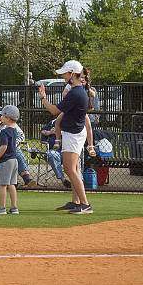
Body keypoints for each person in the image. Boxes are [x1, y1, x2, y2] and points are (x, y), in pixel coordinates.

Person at [38, 59, 93, 214]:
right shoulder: (77, 90)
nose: (63, 76)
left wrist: (43, 98)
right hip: (74, 133)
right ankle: (76, 202)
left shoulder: (75, 92)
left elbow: (54, 111)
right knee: (74, 168)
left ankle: (85, 204)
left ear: (72, 74)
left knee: (70, 169)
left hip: (73, 134)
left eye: (65, 73)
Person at [52, 67, 97, 158]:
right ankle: (57, 140)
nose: (82, 78)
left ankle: (90, 145)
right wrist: (70, 95)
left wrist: (87, 88)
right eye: (81, 76)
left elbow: (93, 95)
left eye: (84, 77)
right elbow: (64, 94)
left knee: (88, 125)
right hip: (70, 108)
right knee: (58, 121)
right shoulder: (71, 85)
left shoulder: (85, 86)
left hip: (81, 111)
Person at [0, 105, 21, 215]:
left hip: (5, 161)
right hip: (14, 160)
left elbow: (4, 146)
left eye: (2, 115)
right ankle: (14, 207)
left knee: (3, 185)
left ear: (7, 118)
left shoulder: (4, 132)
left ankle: (2, 208)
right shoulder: (14, 130)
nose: (0, 117)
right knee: (12, 184)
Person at [40, 119, 70, 187]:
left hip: (68, 151)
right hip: (54, 151)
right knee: (51, 154)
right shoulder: (52, 122)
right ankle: (63, 179)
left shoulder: (71, 121)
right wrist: (50, 132)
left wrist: (59, 132)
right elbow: (43, 131)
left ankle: (78, 181)